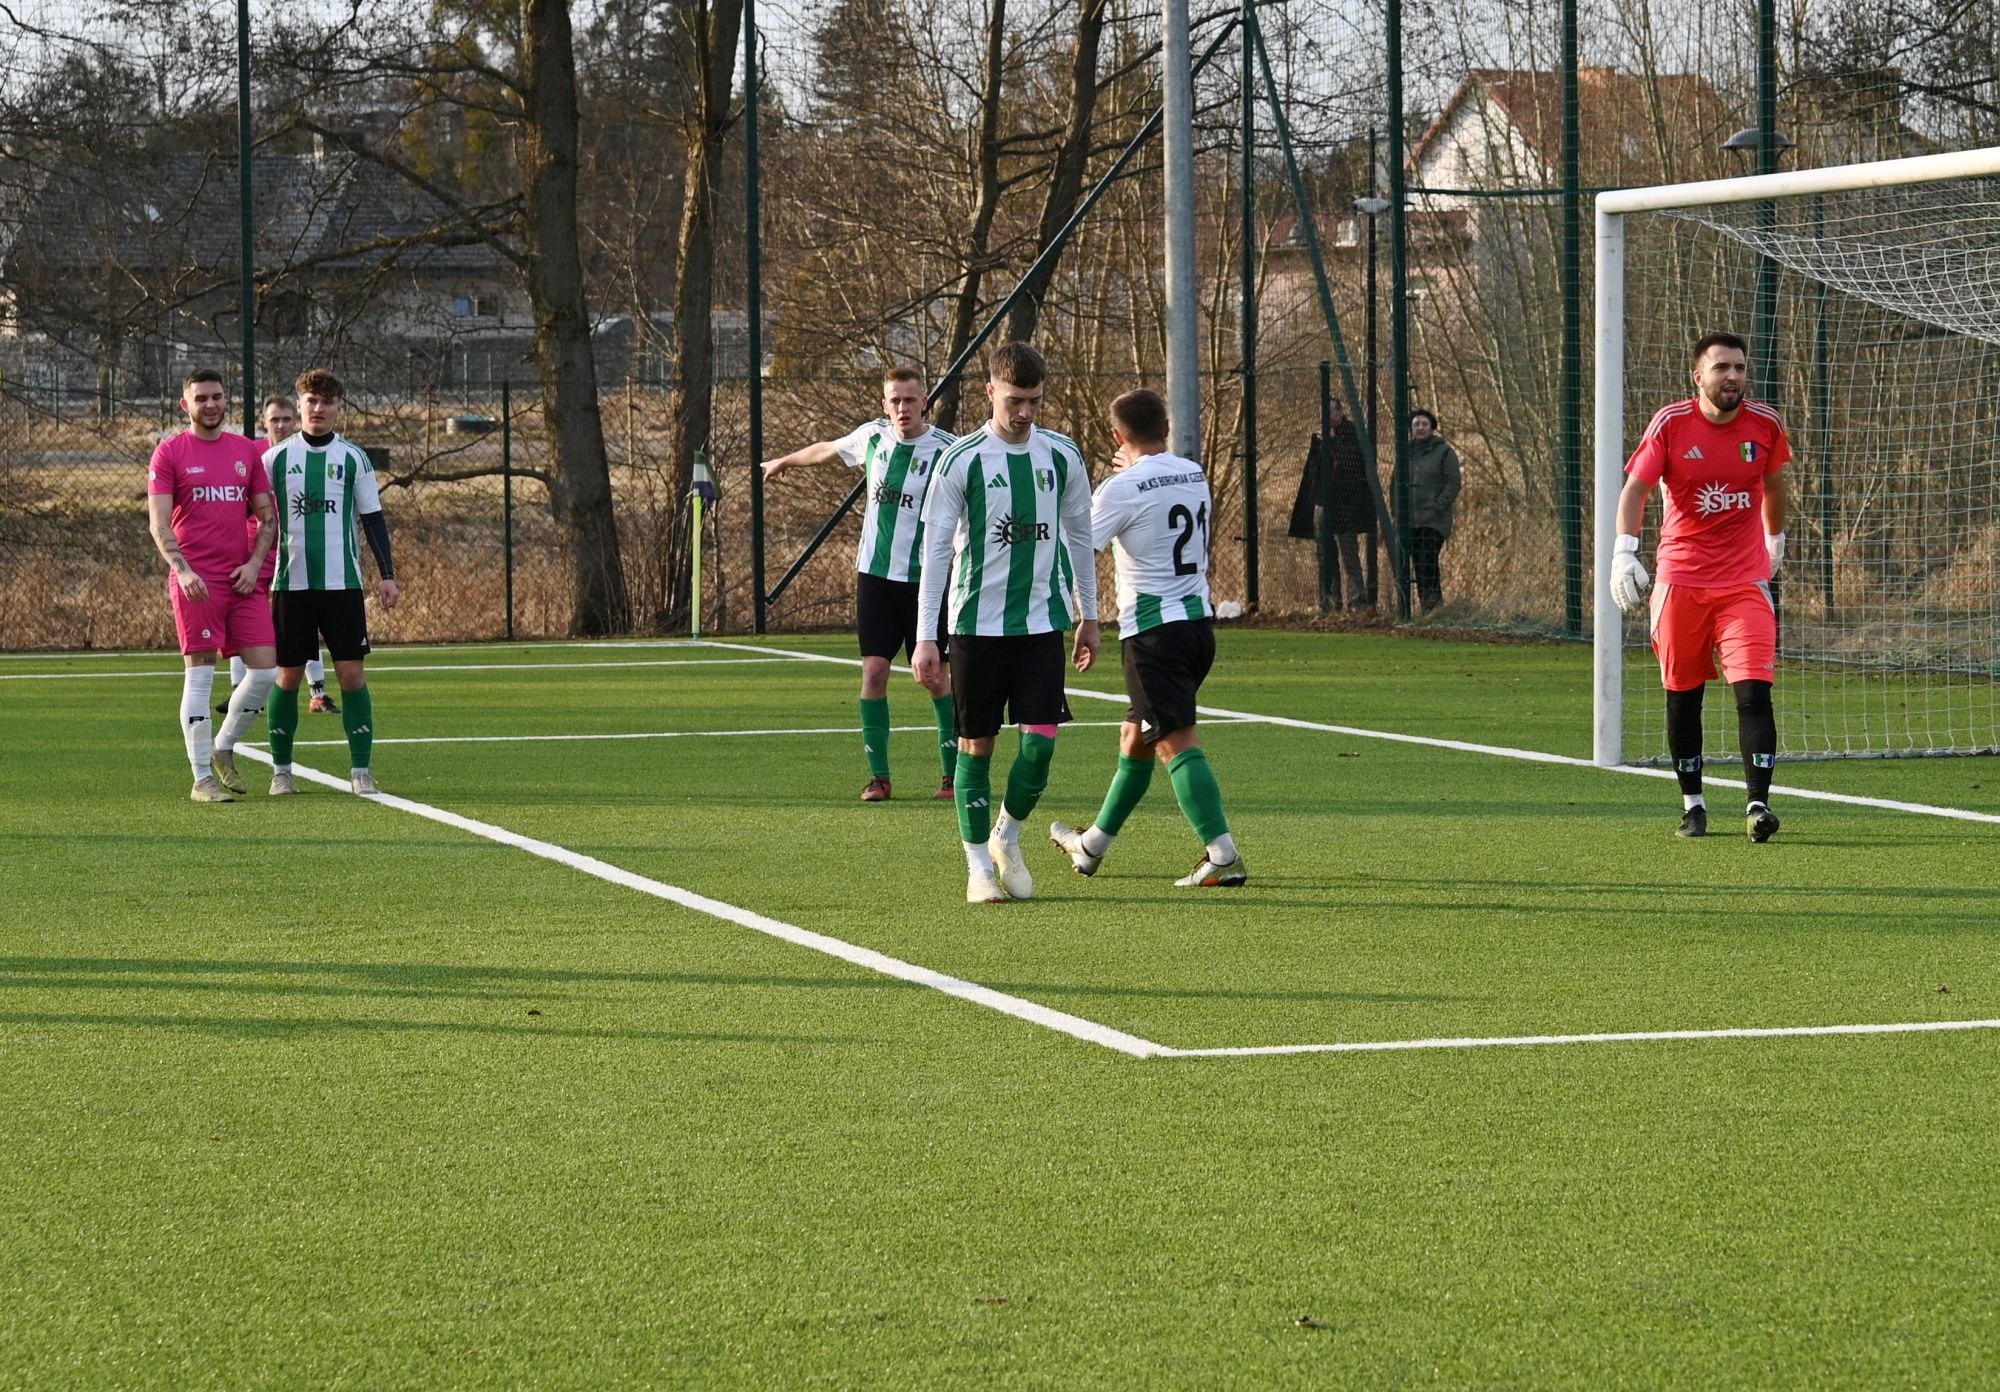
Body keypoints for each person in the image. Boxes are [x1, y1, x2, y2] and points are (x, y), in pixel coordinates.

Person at [911, 342, 1099, 904]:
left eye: (1034, 401)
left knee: (1040, 749)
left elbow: (1082, 537)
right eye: (1015, 400)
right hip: (975, 627)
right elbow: (935, 551)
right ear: (990, 391)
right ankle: (977, 869)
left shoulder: (1061, 455)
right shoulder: (961, 460)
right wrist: (925, 637)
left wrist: (1090, 615)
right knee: (977, 748)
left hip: (1041, 625)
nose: (1025, 412)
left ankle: (1006, 836)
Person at [1049, 388, 1245, 887]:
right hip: (1198, 627)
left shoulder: (1119, 489)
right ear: (1167, 428)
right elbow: (1156, 485)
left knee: (1176, 743)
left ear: (1117, 436)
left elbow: (1079, 547)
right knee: (1135, 737)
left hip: (1154, 635)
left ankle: (1223, 854)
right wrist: (1128, 472)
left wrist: (1083, 616)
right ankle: (1091, 846)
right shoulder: (1193, 472)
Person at [1610, 330, 1789, 842]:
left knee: (1754, 692)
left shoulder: (1765, 423)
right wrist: (1624, 551)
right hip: (1681, 584)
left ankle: (1758, 806)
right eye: (1721, 368)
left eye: (1739, 367)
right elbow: (1636, 489)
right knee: (1683, 698)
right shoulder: (1671, 423)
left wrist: (1774, 539)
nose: (1732, 376)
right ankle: (1693, 805)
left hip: (1744, 583)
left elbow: (1774, 484)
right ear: (1698, 377)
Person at [761, 366, 958, 802]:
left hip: (927, 581)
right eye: (895, 400)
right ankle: (880, 778)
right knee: (874, 672)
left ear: (924, 402)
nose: (903, 407)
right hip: (875, 576)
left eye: (910, 399)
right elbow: (827, 449)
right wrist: (784, 461)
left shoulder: (948, 450)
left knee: (934, 677)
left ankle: (952, 776)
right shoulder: (872, 437)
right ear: (885, 404)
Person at [262, 367, 400, 796]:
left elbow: (373, 519)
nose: (318, 408)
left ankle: (361, 770)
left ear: (339, 408)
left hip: (342, 586)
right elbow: (256, 518)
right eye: (311, 401)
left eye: (327, 402)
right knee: (287, 677)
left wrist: (387, 575)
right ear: (299, 404)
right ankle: (281, 771)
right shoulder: (275, 459)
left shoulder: (354, 458)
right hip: (291, 585)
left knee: (351, 675)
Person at [145, 369, 278, 802]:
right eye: (201, 398)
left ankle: (222, 746)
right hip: (196, 582)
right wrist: (183, 571)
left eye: (217, 396)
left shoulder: (245, 451)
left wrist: (254, 564)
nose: (211, 404)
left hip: (241, 580)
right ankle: (202, 778)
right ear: (186, 405)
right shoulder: (170, 453)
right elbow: (159, 524)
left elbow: (267, 518)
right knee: (200, 678)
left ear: (226, 400)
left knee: (266, 672)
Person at [219, 395, 336, 716]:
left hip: (293, 548)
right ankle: (241, 693)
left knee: (304, 617)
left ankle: (318, 693)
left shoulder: (306, 454)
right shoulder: (251, 454)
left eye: (286, 419)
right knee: (242, 613)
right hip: (255, 549)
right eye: (275, 420)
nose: (281, 425)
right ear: (264, 422)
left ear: (295, 420)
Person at [1287, 393, 1376, 609]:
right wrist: (1321, 444)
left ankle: (1357, 600)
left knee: (1349, 553)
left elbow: (1347, 465)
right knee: (1325, 553)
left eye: (1330, 411)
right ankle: (1330, 599)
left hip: (1346, 502)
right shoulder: (1319, 437)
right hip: (1322, 501)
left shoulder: (1353, 434)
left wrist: (1331, 443)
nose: (1325, 416)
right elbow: (1314, 470)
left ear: (1340, 412)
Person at [1406, 408, 1461, 612]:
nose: (1420, 428)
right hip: (1410, 519)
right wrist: (1397, 509)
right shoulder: (1405, 453)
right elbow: (1395, 482)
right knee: (1418, 563)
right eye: (1416, 424)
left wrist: (1438, 505)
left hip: (1434, 519)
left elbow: (1453, 482)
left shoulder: (1444, 452)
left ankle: (1434, 606)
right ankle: (1426, 607)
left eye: (1424, 424)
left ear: (1432, 427)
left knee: (1427, 559)